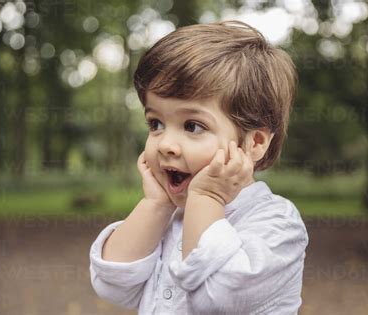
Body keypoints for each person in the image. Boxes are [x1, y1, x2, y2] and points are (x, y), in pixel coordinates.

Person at [89, 20, 309, 314]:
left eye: (192, 126)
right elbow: (112, 285)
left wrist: (207, 200)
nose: (166, 143)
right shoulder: (167, 217)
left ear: (254, 143)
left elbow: (217, 299)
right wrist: (155, 206)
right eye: (156, 123)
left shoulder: (278, 223)